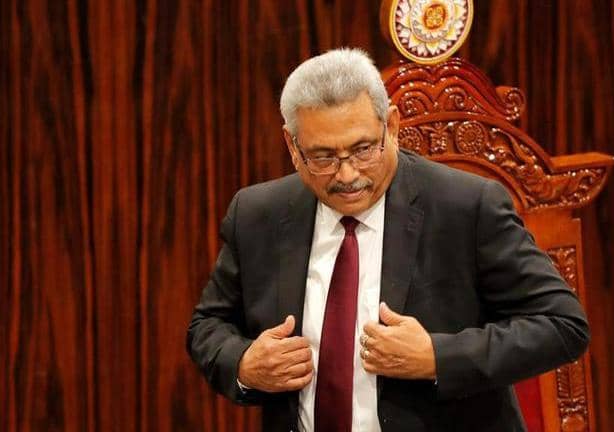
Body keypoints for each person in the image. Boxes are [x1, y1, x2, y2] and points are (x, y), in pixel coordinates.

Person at [187, 48, 589, 432]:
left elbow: (562, 325)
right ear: (292, 145)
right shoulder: (257, 214)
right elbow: (207, 327)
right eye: (323, 157)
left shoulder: (466, 207)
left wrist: (436, 357)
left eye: (363, 150)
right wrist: (244, 364)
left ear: (391, 126)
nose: (347, 175)